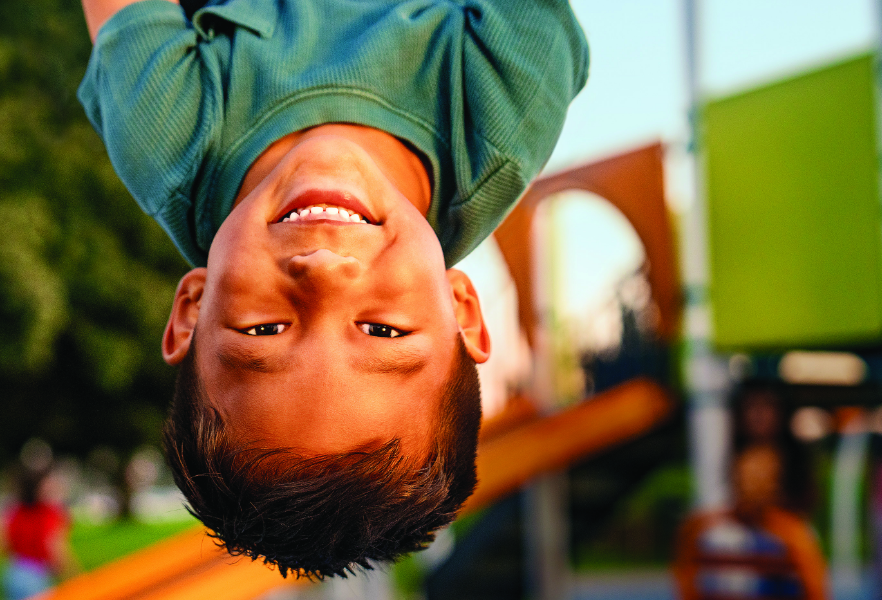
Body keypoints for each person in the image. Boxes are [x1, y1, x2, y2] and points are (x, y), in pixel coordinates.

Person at [76, 0, 588, 578]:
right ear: (460, 310)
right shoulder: (501, 113)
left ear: (192, 308)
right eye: (381, 330)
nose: (323, 270)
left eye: (264, 329)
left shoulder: (167, 139)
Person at [673, 446, 828, 600]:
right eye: (747, 477)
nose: (752, 486)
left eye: (760, 478)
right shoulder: (701, 528)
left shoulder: (793, 534)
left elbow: (813, 588)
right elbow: (686, 580)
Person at [0, 465, 80, 599]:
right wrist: (77, 580)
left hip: (12, 573)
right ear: (39, 488)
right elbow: (55, 548)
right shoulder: (51, 514)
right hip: (36, 575)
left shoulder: (12, 511)